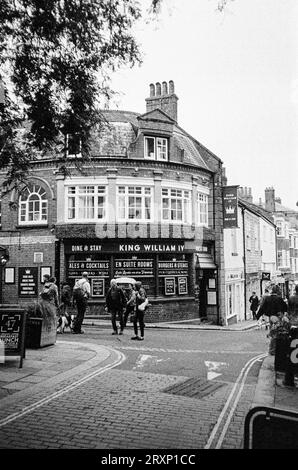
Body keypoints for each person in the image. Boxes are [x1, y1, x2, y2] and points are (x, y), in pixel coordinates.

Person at [256, 285, 288, 355]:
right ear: (278, 291)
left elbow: (262, 308)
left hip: (271, 318)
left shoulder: (267, 298)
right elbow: (285, 308)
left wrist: (257, 316)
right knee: (276, 333)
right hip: (277, 318)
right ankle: (273, 350)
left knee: (273, 332)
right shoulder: (279, 299)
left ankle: (272, 349)